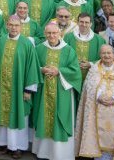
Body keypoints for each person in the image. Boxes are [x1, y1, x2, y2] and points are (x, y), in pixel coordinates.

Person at [32, 21, 82, 160]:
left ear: (60, 33)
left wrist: (59, 71)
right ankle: (43, 152)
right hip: (43, 92)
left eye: (54, 33)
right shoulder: (39, 49)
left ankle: (61, 154)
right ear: (44, 34)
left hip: (62, 92)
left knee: (59, 120)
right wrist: (41, 69)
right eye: (48, 33)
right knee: (43, 118)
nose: (51, 35)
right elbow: (32, 67)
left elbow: (75, 71)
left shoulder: (69, 50)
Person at [0, 15, 40, 159]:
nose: (13, 28)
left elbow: (32, 67)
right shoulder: (1, 40)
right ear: (7, 26)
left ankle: (18, 147)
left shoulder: (27, 43)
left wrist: (28, 89)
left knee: (19, 114)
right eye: (11, 25)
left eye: (16, 25)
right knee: (3, 115)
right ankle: (3, 143)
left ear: (21, 27)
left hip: (19, 88)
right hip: (3, 88)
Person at [64, 13, 105, 83]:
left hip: (92, 77)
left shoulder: (99, 40)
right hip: (72, 76)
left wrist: (91, 64)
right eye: (81, 22)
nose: (84, 24)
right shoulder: (68, 38)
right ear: (77, 23)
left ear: (91, 24)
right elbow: (63, 56)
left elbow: (105, 58)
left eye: (87, 22)